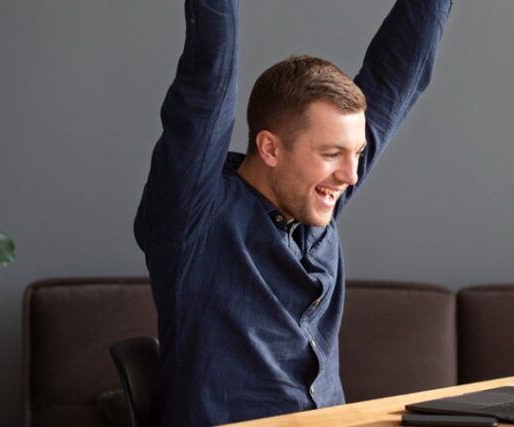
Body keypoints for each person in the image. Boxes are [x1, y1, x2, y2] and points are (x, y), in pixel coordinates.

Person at [134, 0, 452, 424]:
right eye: (332, 153)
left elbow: (399, 75)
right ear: (269, 147)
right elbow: (208, 79)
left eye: (356, 153)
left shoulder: (315, 199)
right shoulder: (195, 218)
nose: (352, 175)